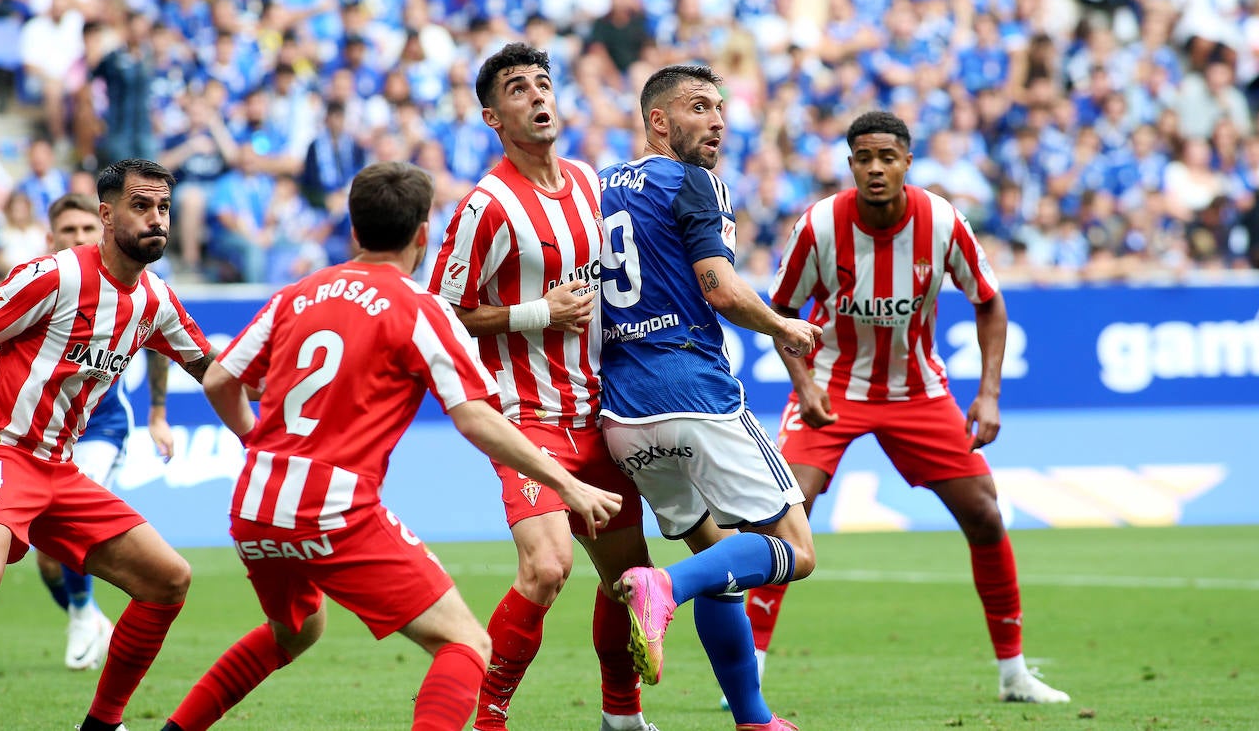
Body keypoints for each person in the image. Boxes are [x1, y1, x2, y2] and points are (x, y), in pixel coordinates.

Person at [158, 161, 622, 731]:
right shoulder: (418, 308)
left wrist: (253, 438)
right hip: (333, 507)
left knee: (296, 631)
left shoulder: (297, 295)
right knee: (466, 645)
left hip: (255, 502)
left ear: (353, 231)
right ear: (423, 235)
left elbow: (219, 381)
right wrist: (567, 482)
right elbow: (476, 418)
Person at [741, 111, 1071, 705]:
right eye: (864, 158)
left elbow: (989, 304)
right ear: (850, 165)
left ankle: (1014, 673)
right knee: (787, 513)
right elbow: (780, 314)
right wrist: (804, 384)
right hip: (832, 386)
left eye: (886, 158)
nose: (875, 168)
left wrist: (989, 393)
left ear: (906, 163)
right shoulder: (818, 226)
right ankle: (750, 670)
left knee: (986, 514)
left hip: (918, 390)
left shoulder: (942, 221)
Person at [428, 43, 658, 731]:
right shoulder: (487, 204)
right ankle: (489, 715)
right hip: (523, 416)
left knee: (628, 577)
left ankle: (622, 715)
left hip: (597, 412)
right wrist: (538, 312)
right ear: (494, 116)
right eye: (518, 88)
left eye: (543, 83)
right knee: (549, 565)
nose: (537, 95)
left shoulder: (591, 183)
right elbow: (440, 314)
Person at [0, 158, 216, 731]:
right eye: (142, 206)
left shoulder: (156, 300)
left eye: (165, 209)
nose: (158, 220)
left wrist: (281, 399)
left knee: (168, 580)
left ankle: (101, 726)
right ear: (106, 213)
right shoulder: (56, 274)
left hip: (58, 469)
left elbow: (216, 372)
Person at [597, 64, 821, 731]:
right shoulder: (693, 181)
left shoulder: (594, 188)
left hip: (622, 412)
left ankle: (752, 716)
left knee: (716, 551)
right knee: (795, 551)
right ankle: (660, 587)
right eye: (699, 106)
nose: (718, 119)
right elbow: (719, 287)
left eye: (721, 107)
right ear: (658, 121)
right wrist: (782, 324)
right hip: (694, 392)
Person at [14, 193, 177, 671]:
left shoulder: (135, 286)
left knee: (67, 530)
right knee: (47, 557)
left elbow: (161, 345)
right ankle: (87, 618)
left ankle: (85, 616)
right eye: (69, 232)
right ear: (51, 239)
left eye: (88, 229)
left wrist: (160, 413)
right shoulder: (45, 283)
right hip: (39, 433)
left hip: (100, 427)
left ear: (102, 228)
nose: (81, 239)